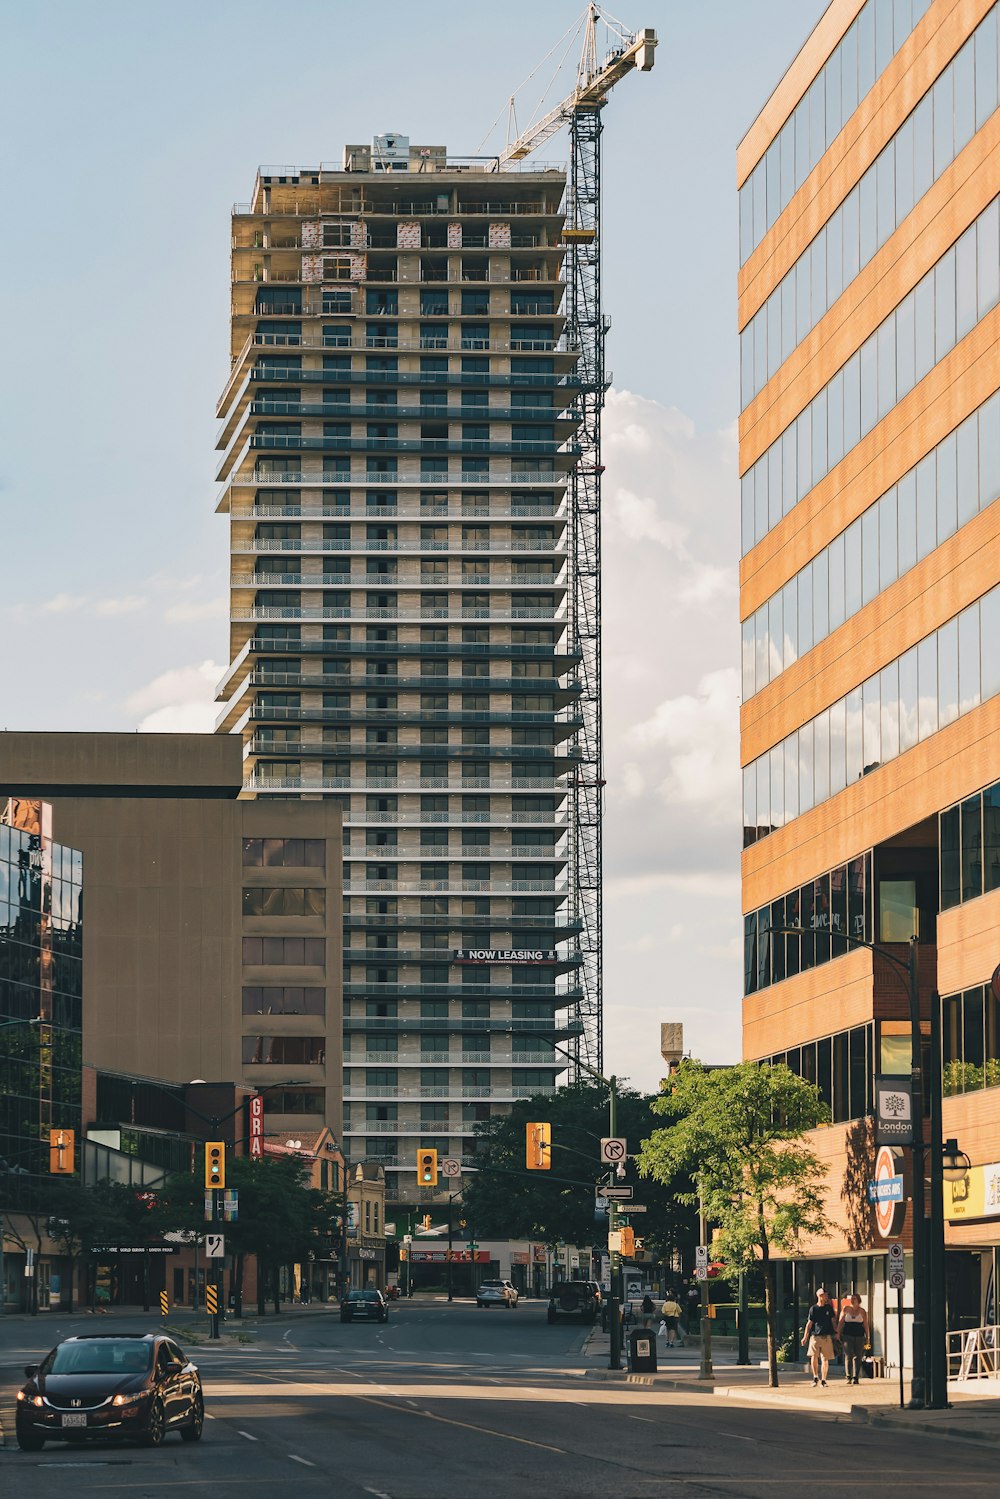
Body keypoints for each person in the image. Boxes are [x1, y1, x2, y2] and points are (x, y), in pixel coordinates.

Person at [802, 1287, 837, 1387]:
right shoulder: (814, 1309)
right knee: (814, 1356)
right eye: (824, 1295)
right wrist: (805, 1337)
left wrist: (836, 1331)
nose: (826, 1297)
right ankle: (815, 1377)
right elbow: (809, 1324)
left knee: (825, 1359)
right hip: (815, 1336)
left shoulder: (828, 1308)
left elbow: (833, 1320)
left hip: (826, 1337)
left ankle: (824, 1379)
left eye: (826, 1295)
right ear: (820, 1296)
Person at [837, 1292, 870, 1384]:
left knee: (858, 1356)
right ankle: (848, 1376)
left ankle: (856, 1377)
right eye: (851, 1298)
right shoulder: (846, 1309)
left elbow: (866, 1325)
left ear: (858, 1300)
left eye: (854, 1298)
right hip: (847, 1335)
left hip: (859, 1336)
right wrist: (838, 1333)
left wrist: (867, 1337)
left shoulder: (862, 1311)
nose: (852, 1300)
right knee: (848, 1355)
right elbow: (840, 1322)